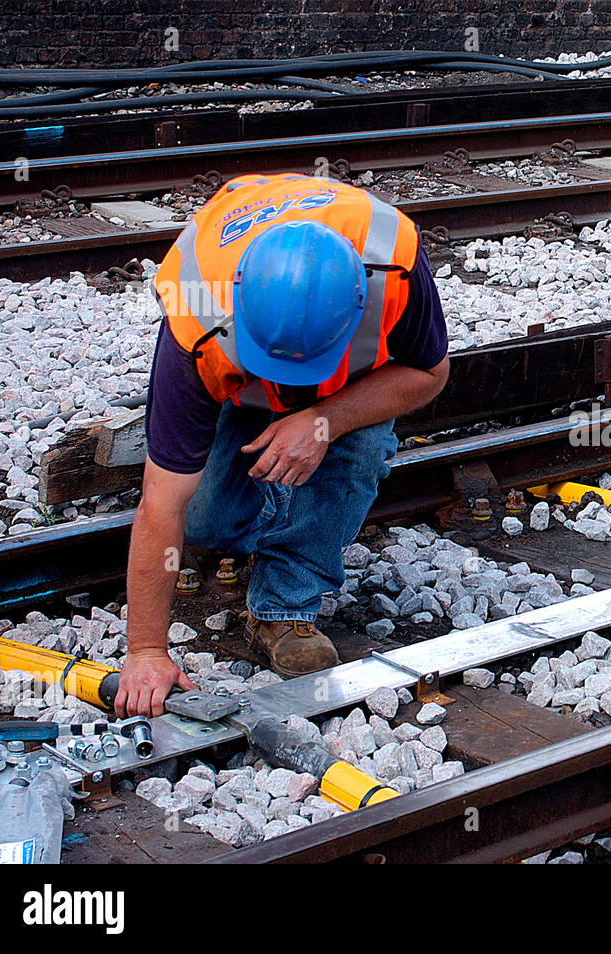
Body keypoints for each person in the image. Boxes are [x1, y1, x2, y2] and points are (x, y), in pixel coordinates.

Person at [115, 174, 450, 717]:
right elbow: (162, 501)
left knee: (359, 445)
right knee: (204, 522)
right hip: (239, 371)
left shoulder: (396, 262)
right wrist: (147, 651)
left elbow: (429, 374)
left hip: (340, 393)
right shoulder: (196, 312)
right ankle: (275, 518)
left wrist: (323, 420)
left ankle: (284, 601)